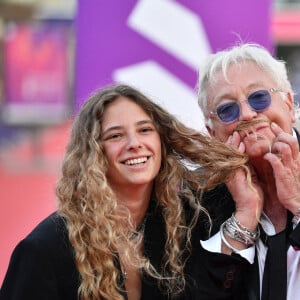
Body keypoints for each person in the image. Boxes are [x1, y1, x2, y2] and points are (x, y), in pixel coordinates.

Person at [0, 84, 251, 300]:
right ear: (93, 152)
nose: (134, 144)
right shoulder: (44, 250)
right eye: (115, 135)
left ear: (162, 141)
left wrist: (247, 211)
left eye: (145, 130)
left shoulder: (182, 226)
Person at [197, 43, 300, 300]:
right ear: (213, 134)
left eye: (259, 97)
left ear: (288, 103)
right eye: (227, 110)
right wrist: (244, 215)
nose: (246, 114)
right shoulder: (197, 203)